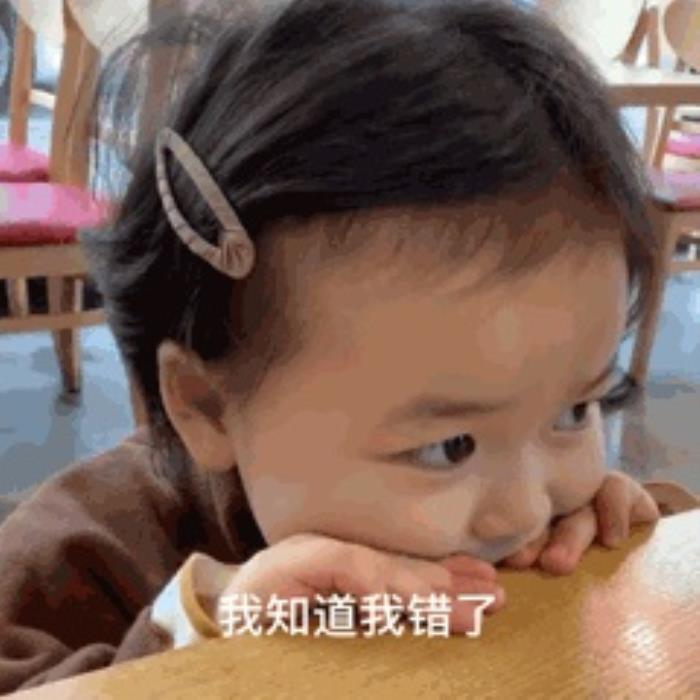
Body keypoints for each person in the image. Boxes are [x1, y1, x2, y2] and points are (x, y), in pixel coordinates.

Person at [1, 0, 696, 691]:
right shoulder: (83, 549)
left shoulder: (544, 512)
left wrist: (629, 535)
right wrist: (197, 629)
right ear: (207, 408)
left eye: (575, 411)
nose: (525, 511)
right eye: (450, 446)